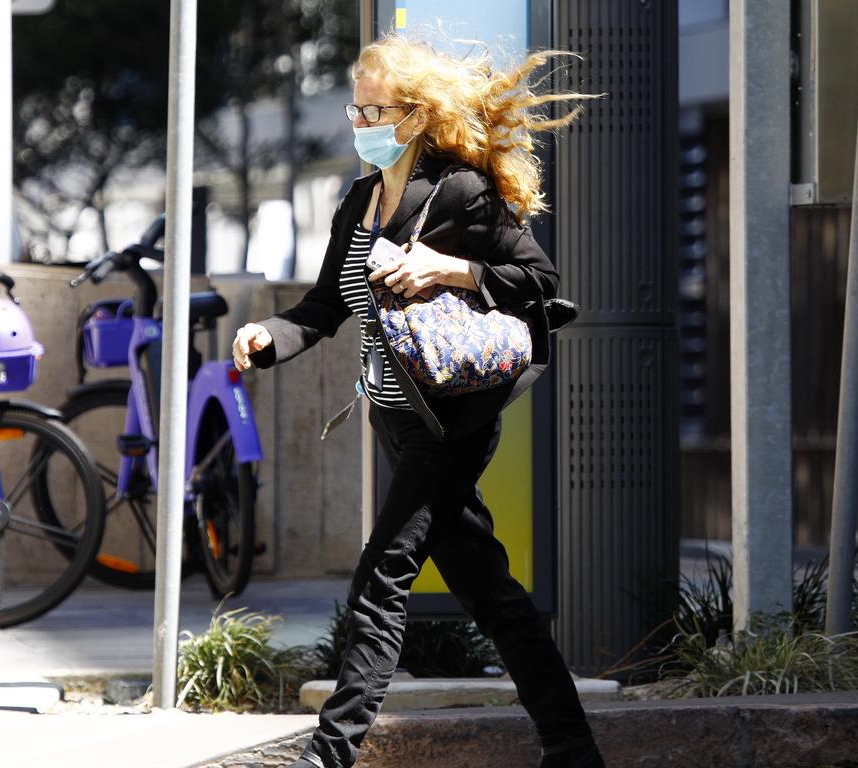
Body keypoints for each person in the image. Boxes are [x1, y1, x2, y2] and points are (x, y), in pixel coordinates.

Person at [233, 34, 606, 768]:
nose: (361, 121)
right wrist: (264, 337)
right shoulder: (360, 200)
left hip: (453, 420)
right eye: (356, 106)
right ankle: (572, 748)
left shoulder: (460, 191)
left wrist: (452, 270)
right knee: (489, 592)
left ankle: (330, 754)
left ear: (414, 116)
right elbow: (320, 309)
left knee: (381, 577)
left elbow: (538, 280)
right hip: (397, 416)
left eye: (377, 108)